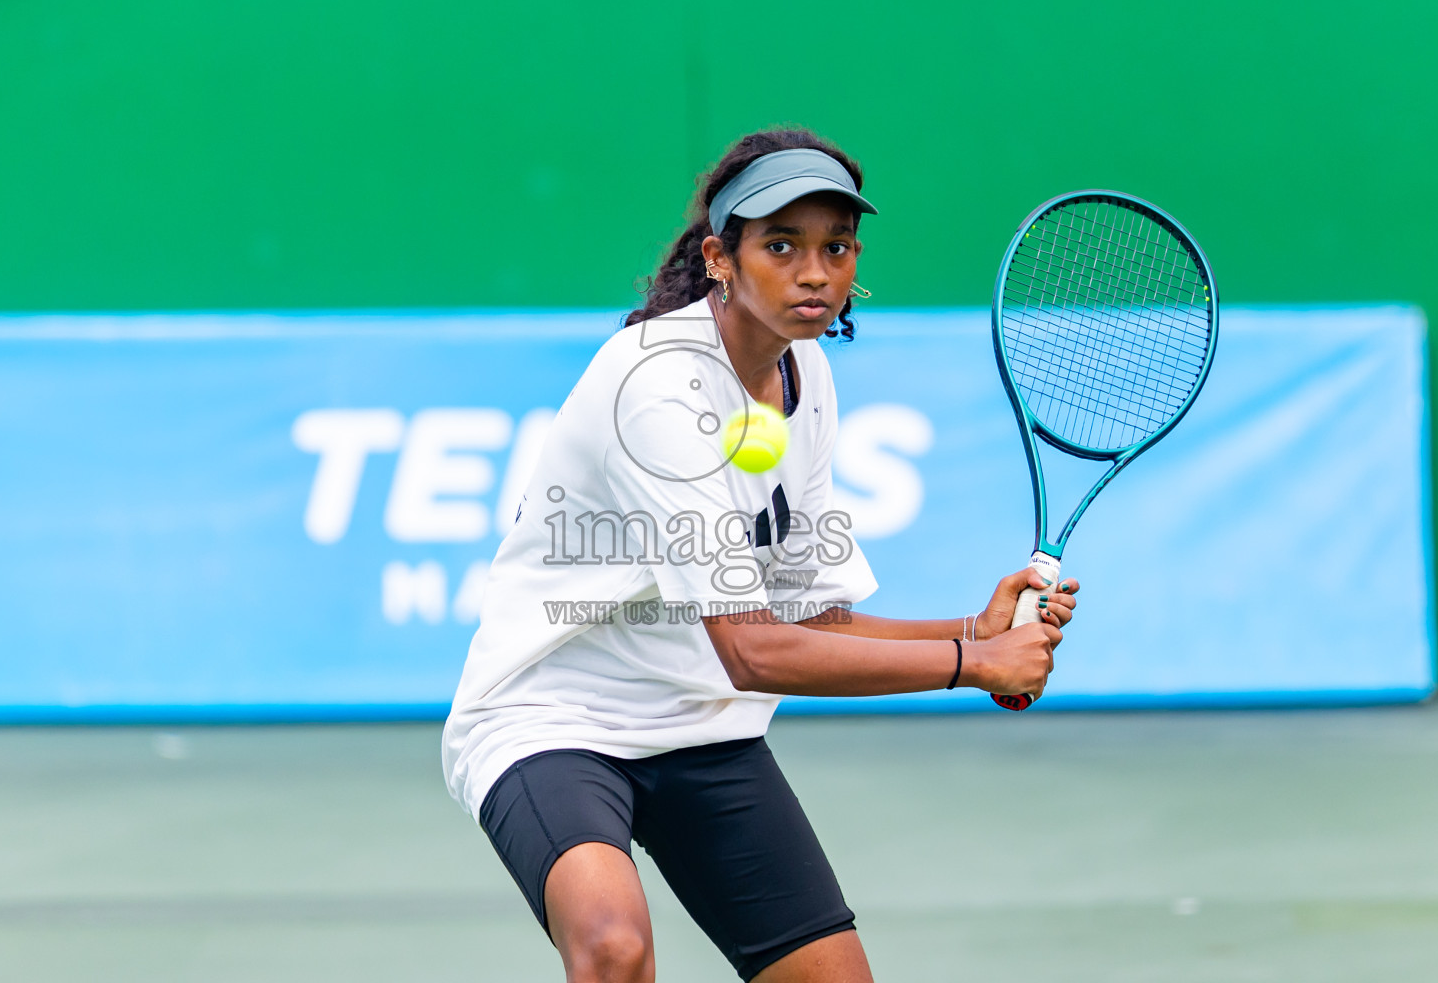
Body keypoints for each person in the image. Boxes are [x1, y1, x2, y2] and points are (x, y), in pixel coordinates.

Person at [442, 127, 1078, 983]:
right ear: (720, 257)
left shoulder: (806, 376)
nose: (815, 272)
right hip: (553, 722)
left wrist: (975, 627)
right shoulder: (655, 389)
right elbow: (752, 649)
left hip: (702, 730)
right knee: (612, 947)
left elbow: (814, 615)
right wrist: (975, 663)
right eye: (781, 245)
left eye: (836, 247)